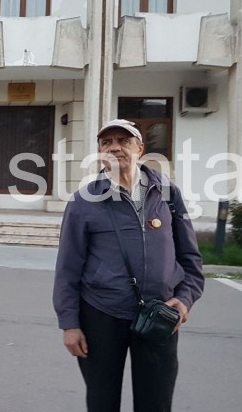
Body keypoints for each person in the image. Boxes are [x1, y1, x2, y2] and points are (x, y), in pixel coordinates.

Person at [52, 119, 204, 412]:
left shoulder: (167, 193)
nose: (114, 148)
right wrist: (69, 323)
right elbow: (68, 268)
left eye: (123, 141)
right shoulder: (83, 201)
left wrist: (185, 299)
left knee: (156, 402)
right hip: (101, 314)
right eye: (106, 142)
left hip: (160, 313)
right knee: (102, 401)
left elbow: (190, 257)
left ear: (139, 148)